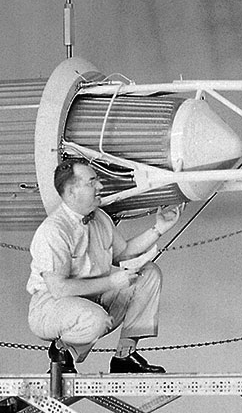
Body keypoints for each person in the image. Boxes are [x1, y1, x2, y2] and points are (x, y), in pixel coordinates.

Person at [28, 157, 179, 374]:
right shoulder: (54, 231)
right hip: (51, 306)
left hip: (92, 298)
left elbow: (123, 252)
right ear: (71, 192)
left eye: (97, 180)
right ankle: (61, 352)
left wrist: (159, 229)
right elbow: (59, 289)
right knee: (96, 320)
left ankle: (124, 356)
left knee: (148, 274)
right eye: (92, 182)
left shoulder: (99, 217)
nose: (100, 186)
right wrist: (111, 282)